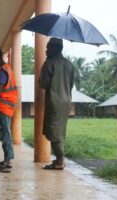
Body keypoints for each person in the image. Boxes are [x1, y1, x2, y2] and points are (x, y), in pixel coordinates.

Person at [39, 38, 74, 170]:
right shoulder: (70, 64)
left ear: (55, 49)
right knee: (60, 130)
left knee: (54, 131)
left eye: (48, 48)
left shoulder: (50, 63)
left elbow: (43, 83)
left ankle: (60, 160)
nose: (46, 50)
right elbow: (71, 84)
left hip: (54, 101)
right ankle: (59, 159)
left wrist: (43, 69)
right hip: (66, 101)